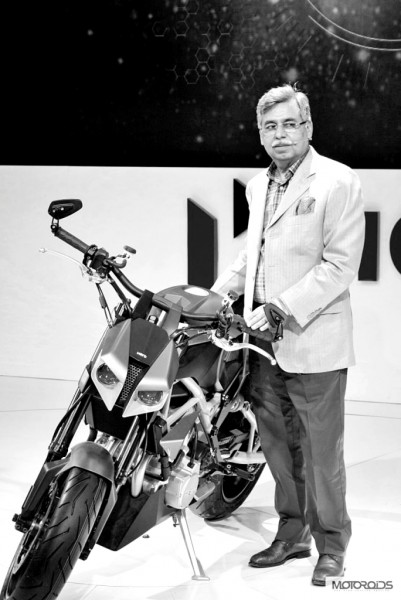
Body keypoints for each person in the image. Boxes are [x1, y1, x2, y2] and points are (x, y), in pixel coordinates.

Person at [211, 83, 365, 586]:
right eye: (270, 127)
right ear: (260, 134)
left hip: (313, 338)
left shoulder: (338, 181)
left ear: (308, 127)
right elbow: (252, 256)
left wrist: (280, 308)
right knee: (278, 449)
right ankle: (293, 533)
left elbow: (340, 266)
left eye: (289, 124)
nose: (280, 135)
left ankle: (332, 545)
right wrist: (213, 297)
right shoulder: (258, 185)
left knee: (322, 454)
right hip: (260, 345)